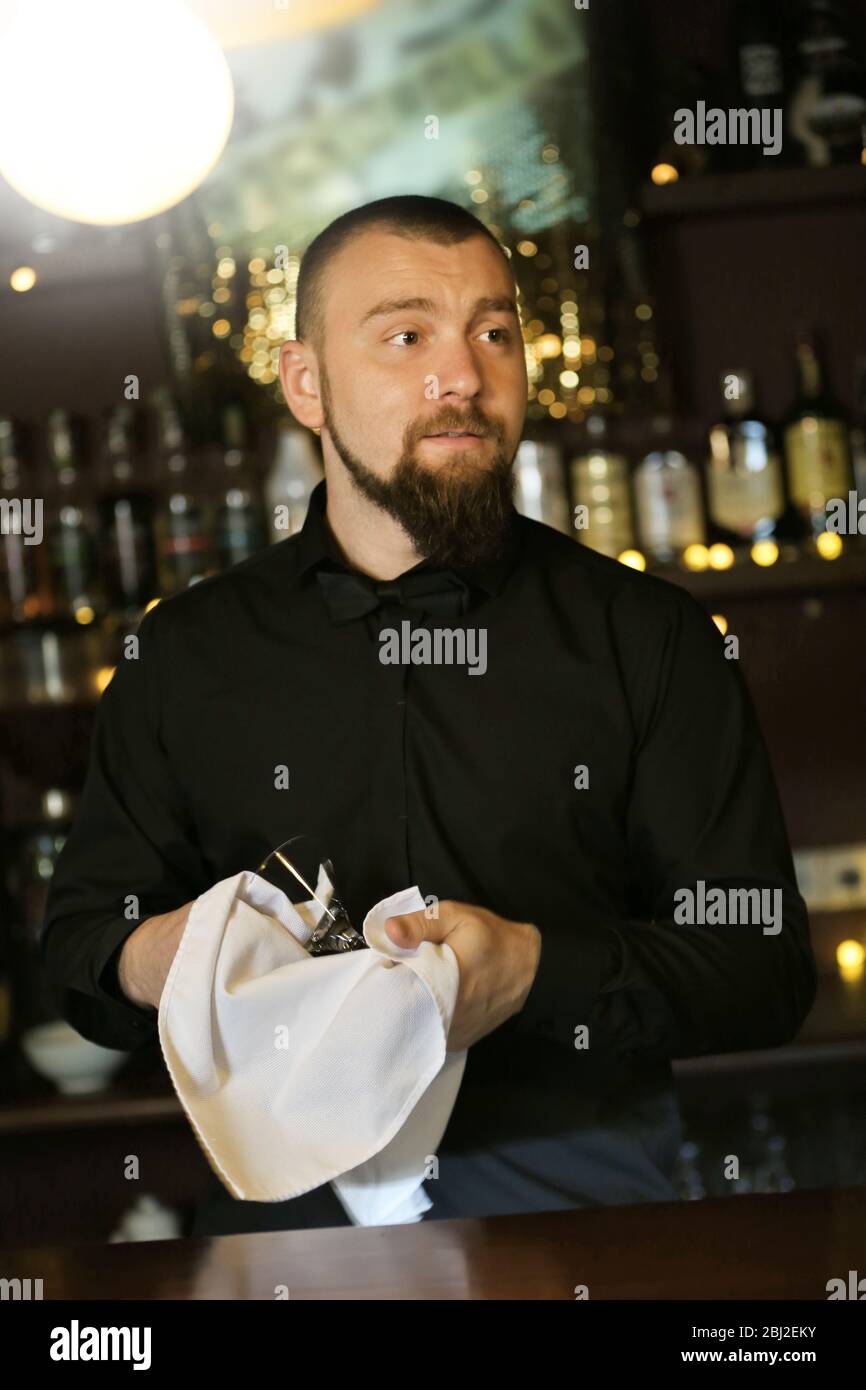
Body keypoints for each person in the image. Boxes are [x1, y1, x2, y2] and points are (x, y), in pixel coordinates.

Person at [41, 195, 816, 1235]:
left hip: (578, 1225)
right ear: (305, 383)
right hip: (286, 1233)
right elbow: (84, 952)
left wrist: (534, 970)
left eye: (492, 332)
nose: (461, 377)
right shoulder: (180, 654)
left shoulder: (651, 636)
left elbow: (760, 970)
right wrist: (177, 951)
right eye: (405, 335)